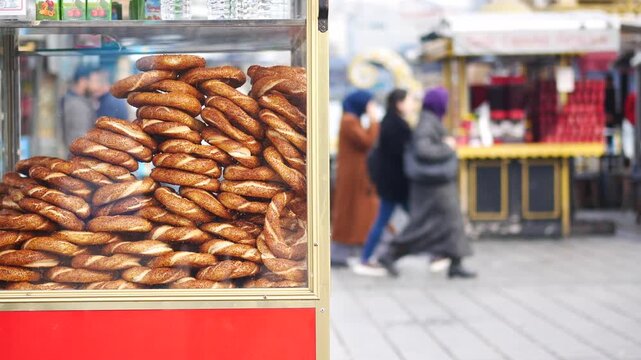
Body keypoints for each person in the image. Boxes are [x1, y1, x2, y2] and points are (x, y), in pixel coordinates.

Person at [378, 87, 476, 279]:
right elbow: (424, 150)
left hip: (436, 185)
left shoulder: (428, 120)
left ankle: (456, 262)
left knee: (451, 223)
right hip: (433, 187)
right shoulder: (427, 123)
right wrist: (447, 147)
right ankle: (390, 254)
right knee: (424, 225)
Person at [352, 89, 413, 276]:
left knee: (393, 219)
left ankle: (370, 256)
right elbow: (400, 154)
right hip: (396, 184)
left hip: (391, 183)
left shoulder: (389, 122)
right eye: (409, 101)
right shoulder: (396, 125)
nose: (412, 105)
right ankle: (372, 257)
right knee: (413, 218)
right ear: (399, 103)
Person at [331, 90, 380, 267]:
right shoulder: (349, 121)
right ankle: (344, 250)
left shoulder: (352, 119)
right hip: (352, 174)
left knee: (355, 209)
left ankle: (349, 248)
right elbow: (367, 142)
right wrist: (374, 120)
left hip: (355, 173)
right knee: (350, 209)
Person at [61, 66, 97, 148]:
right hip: (79, 154)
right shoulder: (76, 104)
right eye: (90, 81)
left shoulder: (77, 100)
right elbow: (79, 135)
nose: (92, 84)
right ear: (82, 81)